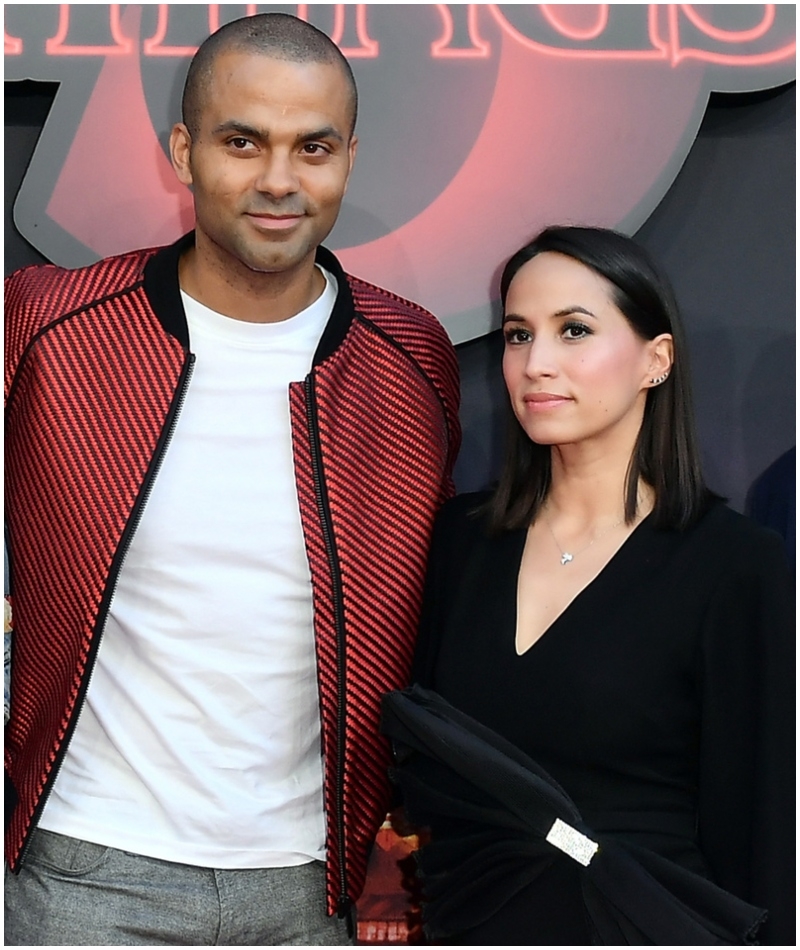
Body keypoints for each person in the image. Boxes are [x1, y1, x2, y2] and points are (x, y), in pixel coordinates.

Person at [4, 13, 460, 946]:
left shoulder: (411, 357)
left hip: (309, 888)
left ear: (349, 157)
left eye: (314, 147)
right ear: (183, 149)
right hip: (84, 872)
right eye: (242, 142)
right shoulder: (50, 328)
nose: (280, 181)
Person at [382, 227, 793, 945]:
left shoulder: (737, 568)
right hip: (469, 924)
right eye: (516, 336)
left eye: (574, 330)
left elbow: (762, 831)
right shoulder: (460, 542)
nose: (536, 363)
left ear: (655, 361)